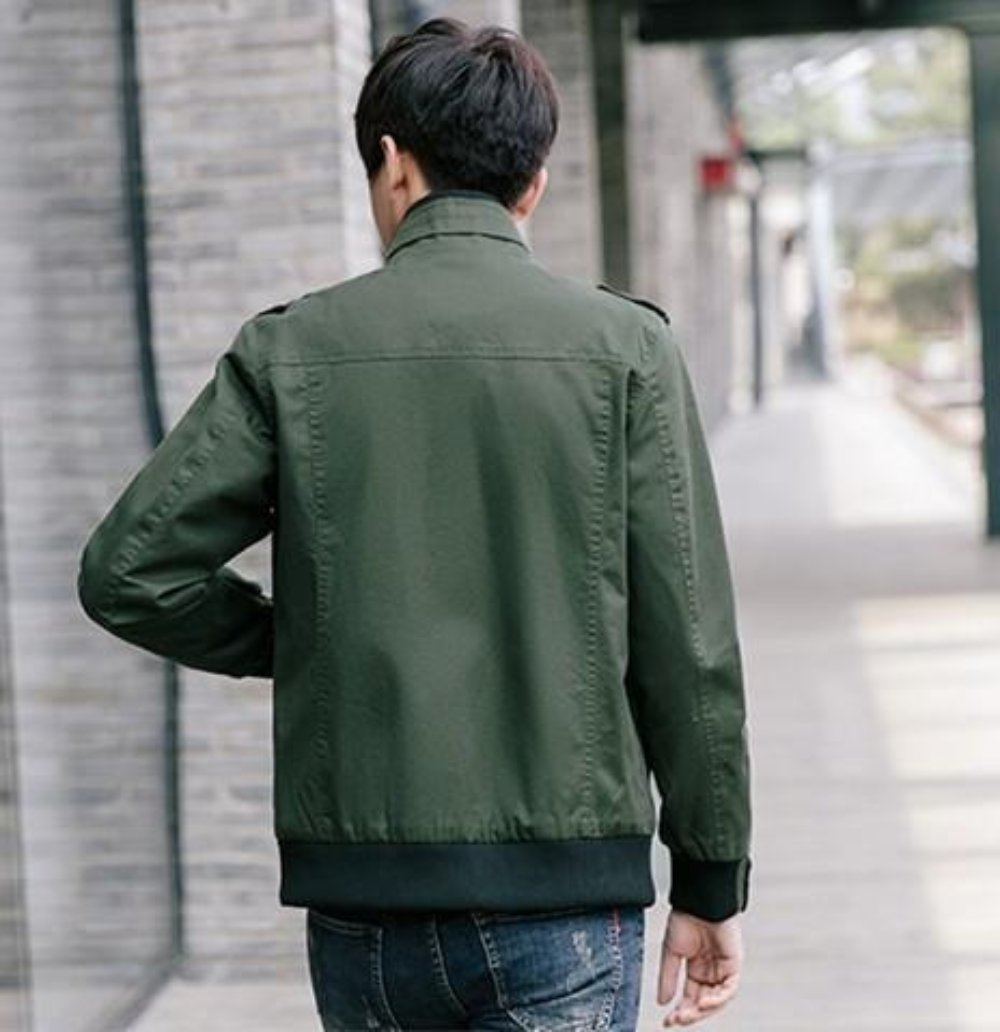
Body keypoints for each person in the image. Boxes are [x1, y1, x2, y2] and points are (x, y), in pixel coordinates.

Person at [76, 15, 752, 1031]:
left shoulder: (290, 351)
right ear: (534, 183)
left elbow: (129, 571)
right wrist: (710, 875)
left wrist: (296, 640)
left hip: (364, 902)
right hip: (565, 898)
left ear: (391, 163)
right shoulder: (625, 351)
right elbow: (689, 647)